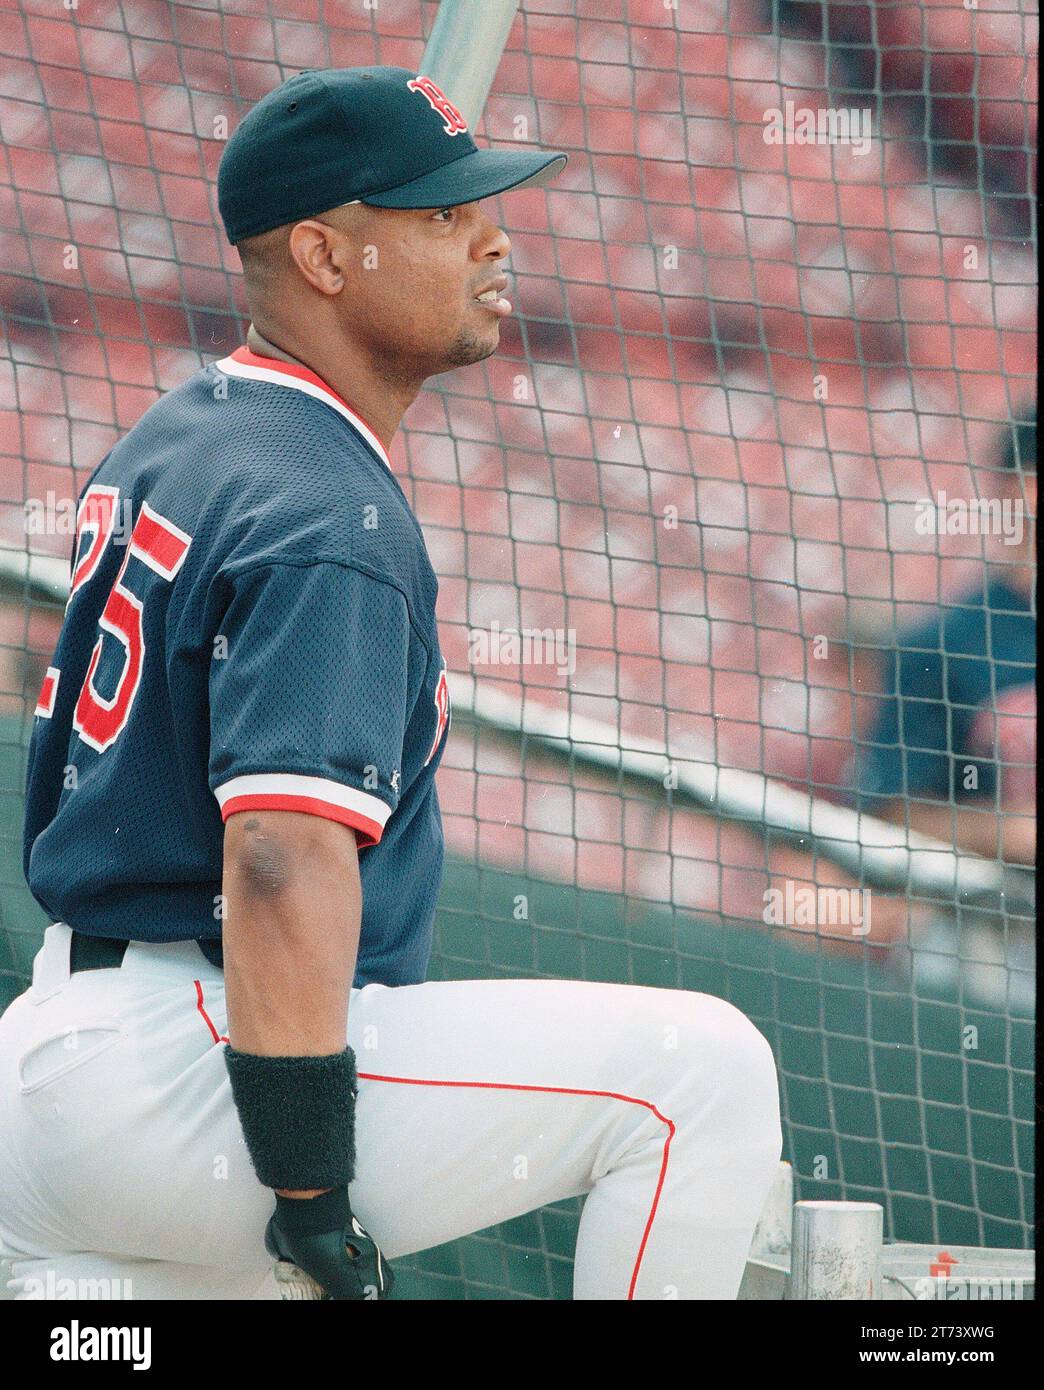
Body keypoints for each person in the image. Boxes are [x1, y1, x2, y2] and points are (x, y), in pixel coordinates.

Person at [0, 67, 781, 1300]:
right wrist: (310, 1196)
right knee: (701, 1074)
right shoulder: (329, 506)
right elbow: (277, 853)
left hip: (60, 1070)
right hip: (191, 1063)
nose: (490, 237)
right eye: (435, 216)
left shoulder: (191, 426)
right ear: (319, 253)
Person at [852, 411, 1036, 867]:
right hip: (988, 916)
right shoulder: (941, 643)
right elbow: (891, 808)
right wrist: (1008, 833)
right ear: (1010, 491)